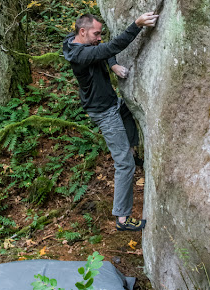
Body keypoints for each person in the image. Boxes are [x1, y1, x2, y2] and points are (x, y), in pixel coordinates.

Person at [63, 12, 158, 231]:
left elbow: (103, 50)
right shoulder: (80, 55)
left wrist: (113, 65)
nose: (99, 37)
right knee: (124, 164)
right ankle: (122, 218)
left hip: (112, 103)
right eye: (96, 34)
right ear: (83, 31)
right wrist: (137, 25)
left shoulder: (74, 40)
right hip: (104, 112)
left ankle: (132, 152)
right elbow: (109, 48)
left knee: (128, 114)